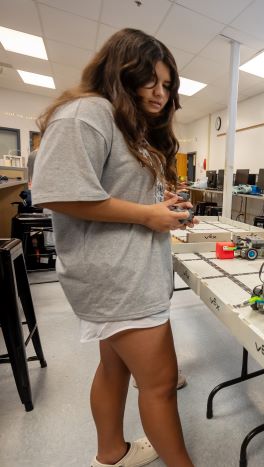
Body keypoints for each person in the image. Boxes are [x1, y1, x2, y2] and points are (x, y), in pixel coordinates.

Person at [31, 29, 195, 467]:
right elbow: (55, 191)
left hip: (124, 272)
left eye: (167, 86)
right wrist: (147, 215)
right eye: (151, 82)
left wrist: (158, 207)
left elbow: (111, 193)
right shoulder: (88, 112)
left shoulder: (124, 123)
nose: (160, 94)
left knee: (114, 367)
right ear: (121, 73)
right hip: (118, 279)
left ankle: (112, 455)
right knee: (159, 385)